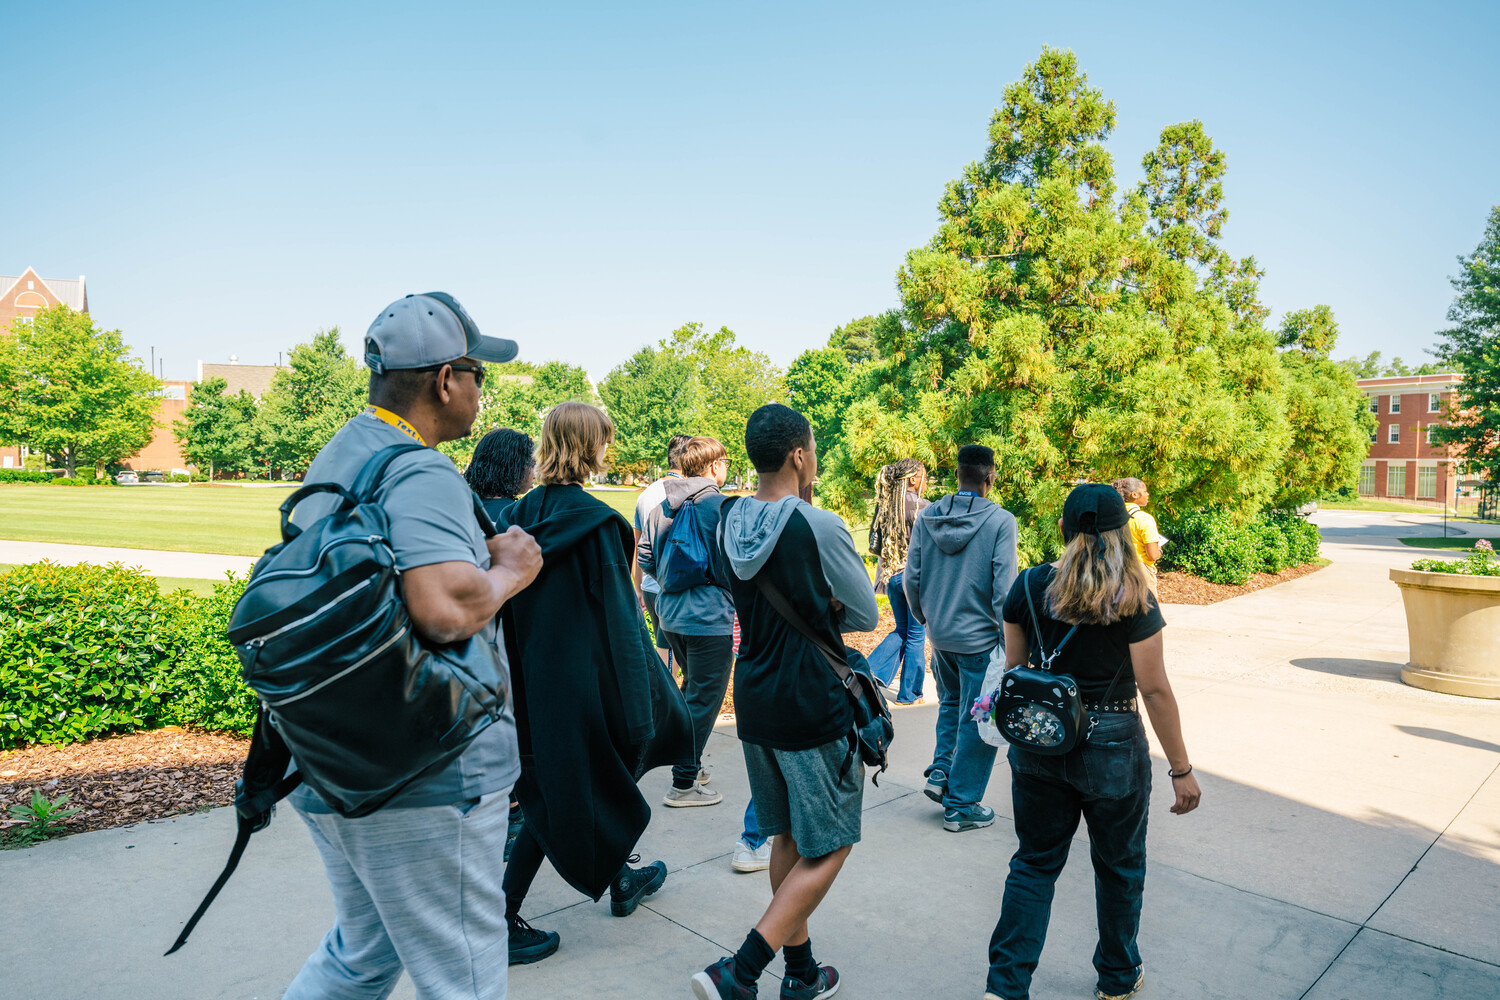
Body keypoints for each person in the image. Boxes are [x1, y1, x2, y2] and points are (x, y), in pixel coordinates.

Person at [282, 291, 543, 1000]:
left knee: (360, 954)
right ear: (445, 380)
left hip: (331, 757)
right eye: (478, 374)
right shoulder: (419, 467)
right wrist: (511, 571)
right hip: (427, 774)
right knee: (463, 974)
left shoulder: (340, 453)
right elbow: (444, 609)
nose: (483, 391)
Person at [984, 484, 1202, 1000]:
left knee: (1034, 864)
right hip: (1114, 743)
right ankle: (1118, 978)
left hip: (1042, 740)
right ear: (1122, 534)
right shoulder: (1136, 597)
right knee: (1120, 867)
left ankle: (1005, 987)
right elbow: (1153, 687)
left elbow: (1017, 668)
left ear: (1062, 529)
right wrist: (1181, 768)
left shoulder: (1031, 584)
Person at [692, 403, 879, 1000]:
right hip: (809, 698)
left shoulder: (726, 520)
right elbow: (866, 613)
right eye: (814, 448)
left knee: (788, 839)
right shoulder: (818, 525)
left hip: (755, 695)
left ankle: (800, 972)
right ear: (799, 455)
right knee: (833, 840)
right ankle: (741, 971)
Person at [499, 402, 696, 965]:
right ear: (590, 447)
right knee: (571, 788)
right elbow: (621, 625)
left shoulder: (515, 517)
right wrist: (642, 707)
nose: (608, 450)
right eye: (604, 441)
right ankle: (504, 914)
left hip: (527, 679)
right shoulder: (601, 525)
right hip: (584, 685)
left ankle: (620, 879)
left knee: (556, 784)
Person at [902, 444, 1017, 833]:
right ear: (991, 477)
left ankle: (940, 773)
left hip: (941, 636)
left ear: (957, 475)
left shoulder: (928, 515)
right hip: (980, 640)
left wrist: (926, 619)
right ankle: (962, 806)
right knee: (980, 718)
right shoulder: (1001, 521)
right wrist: (1009, 638)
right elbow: (1004, 588)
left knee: (951, 705)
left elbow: (910, 578)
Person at [637, 435, 734, 809]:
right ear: (713, 466)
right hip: (710, 619)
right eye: (725, 461)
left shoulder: (664, 504)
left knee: (690, 689)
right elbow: (737, 565)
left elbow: (645, 555)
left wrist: (668, 583)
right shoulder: (721, 506)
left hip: (672, 613)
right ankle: (683, 782)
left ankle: (686, 763)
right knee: (703, 700)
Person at [464, 428, 536, 868]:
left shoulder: (465, 509)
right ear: (514, 466)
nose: (533, 469)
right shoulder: (518, 515)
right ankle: (514, 815)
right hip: (512, 638)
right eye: (528, 461)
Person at [869, 459, 930, 704]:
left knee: (902, 630)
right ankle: (910, 694)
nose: (926, 481)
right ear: (914, 479)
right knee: (916, 635)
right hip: (914, 579)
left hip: (892, 576)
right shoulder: (924, 508)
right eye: (924, 476)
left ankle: (870, 670)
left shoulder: (886, 507)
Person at [636, 434, 694, 666]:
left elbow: (637, 545)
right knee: (671, 658)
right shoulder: (685, 492)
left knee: (667, 654)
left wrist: (638, 586)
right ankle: (667, 703)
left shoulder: (645, 494)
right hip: (671, 588)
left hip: (648, 585)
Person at [1111, 478, 1164, 591]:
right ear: (1134, 494)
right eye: (1145, 491)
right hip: (1141, 574)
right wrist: (1159, 550)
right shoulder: (1144, 519)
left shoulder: (1112, 516)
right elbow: (1152, 555)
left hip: (1116, 571)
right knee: (1145, 608)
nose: (1147, 494)